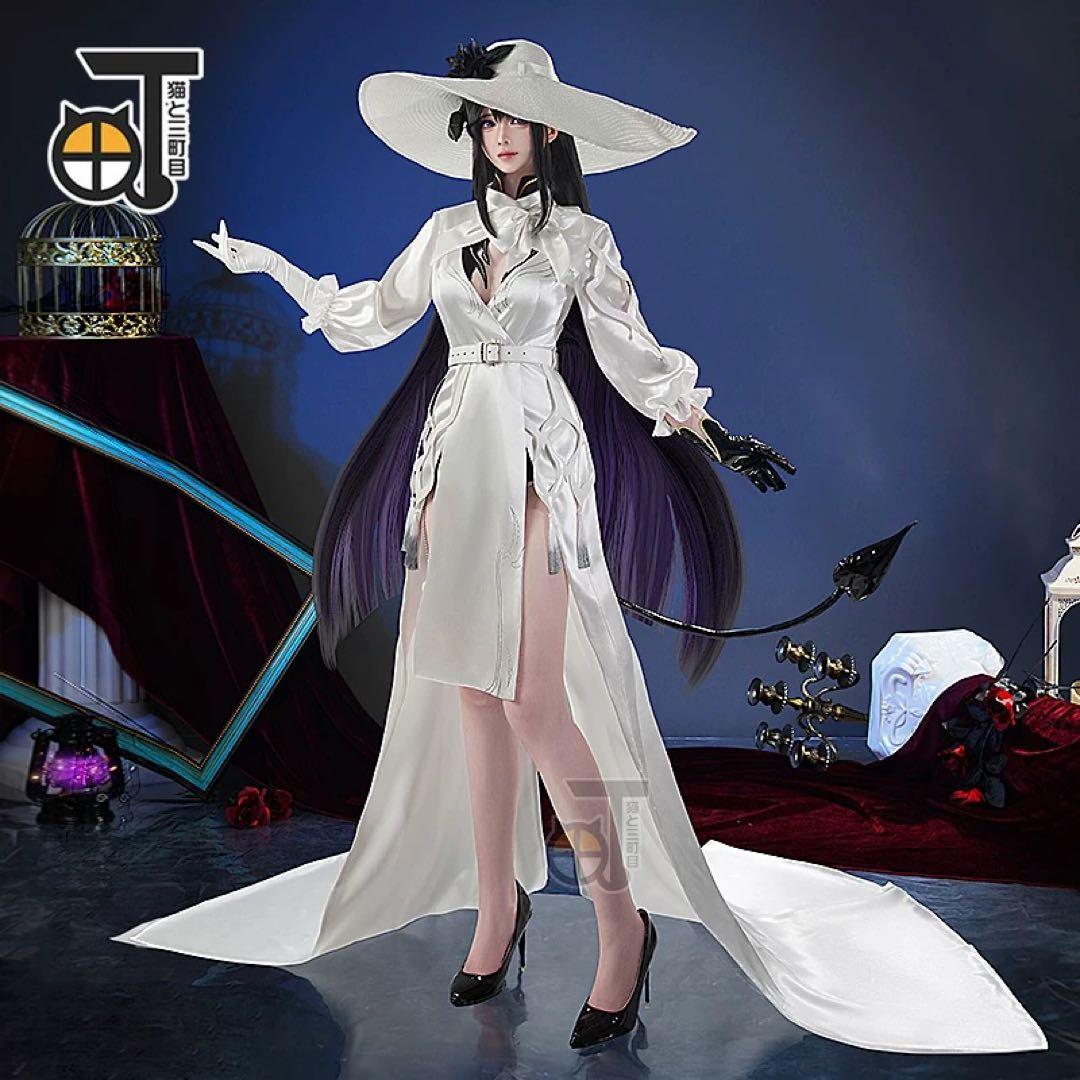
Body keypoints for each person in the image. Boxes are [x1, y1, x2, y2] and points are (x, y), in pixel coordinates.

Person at [114, 38, 1047, 1055]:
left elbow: (633, 355)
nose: (500, 133)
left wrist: (713, 432)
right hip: (451, 473)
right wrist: (273, 268)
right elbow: (370, 315)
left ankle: (619, 922)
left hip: (537, 470)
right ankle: (497, 912)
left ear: (550, 129)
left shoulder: (581, 242)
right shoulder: (442, 232)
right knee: (475, 700)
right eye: (487, 116)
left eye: (516, 115)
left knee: (534, 702)